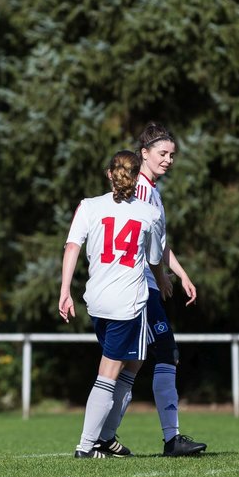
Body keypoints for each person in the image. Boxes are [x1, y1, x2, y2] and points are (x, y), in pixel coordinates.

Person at [92, 123, 207, 457]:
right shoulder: (140, 192)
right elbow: (140, 243)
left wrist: (179, 275)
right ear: (143, 154)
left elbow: (157, 242)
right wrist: (157, 277)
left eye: (172, 154)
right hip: (137, 287)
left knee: (135, 362)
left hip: (147, 283)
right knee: (160, 354)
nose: (169, 160)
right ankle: (169, 438)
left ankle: (104, 437)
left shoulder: (151, 191)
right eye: (162, 153)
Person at [59, 150, 166, 458]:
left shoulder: (89, 206)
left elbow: (71, 247)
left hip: (97, 300)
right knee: (110, 371)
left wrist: (65, 290)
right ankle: (86, 446)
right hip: (127, 303)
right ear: (137, 177)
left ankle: (106, 437)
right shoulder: (148, 212)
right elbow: (155, 259)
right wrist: (164, 280)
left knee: (133, 363)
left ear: (109, 174)